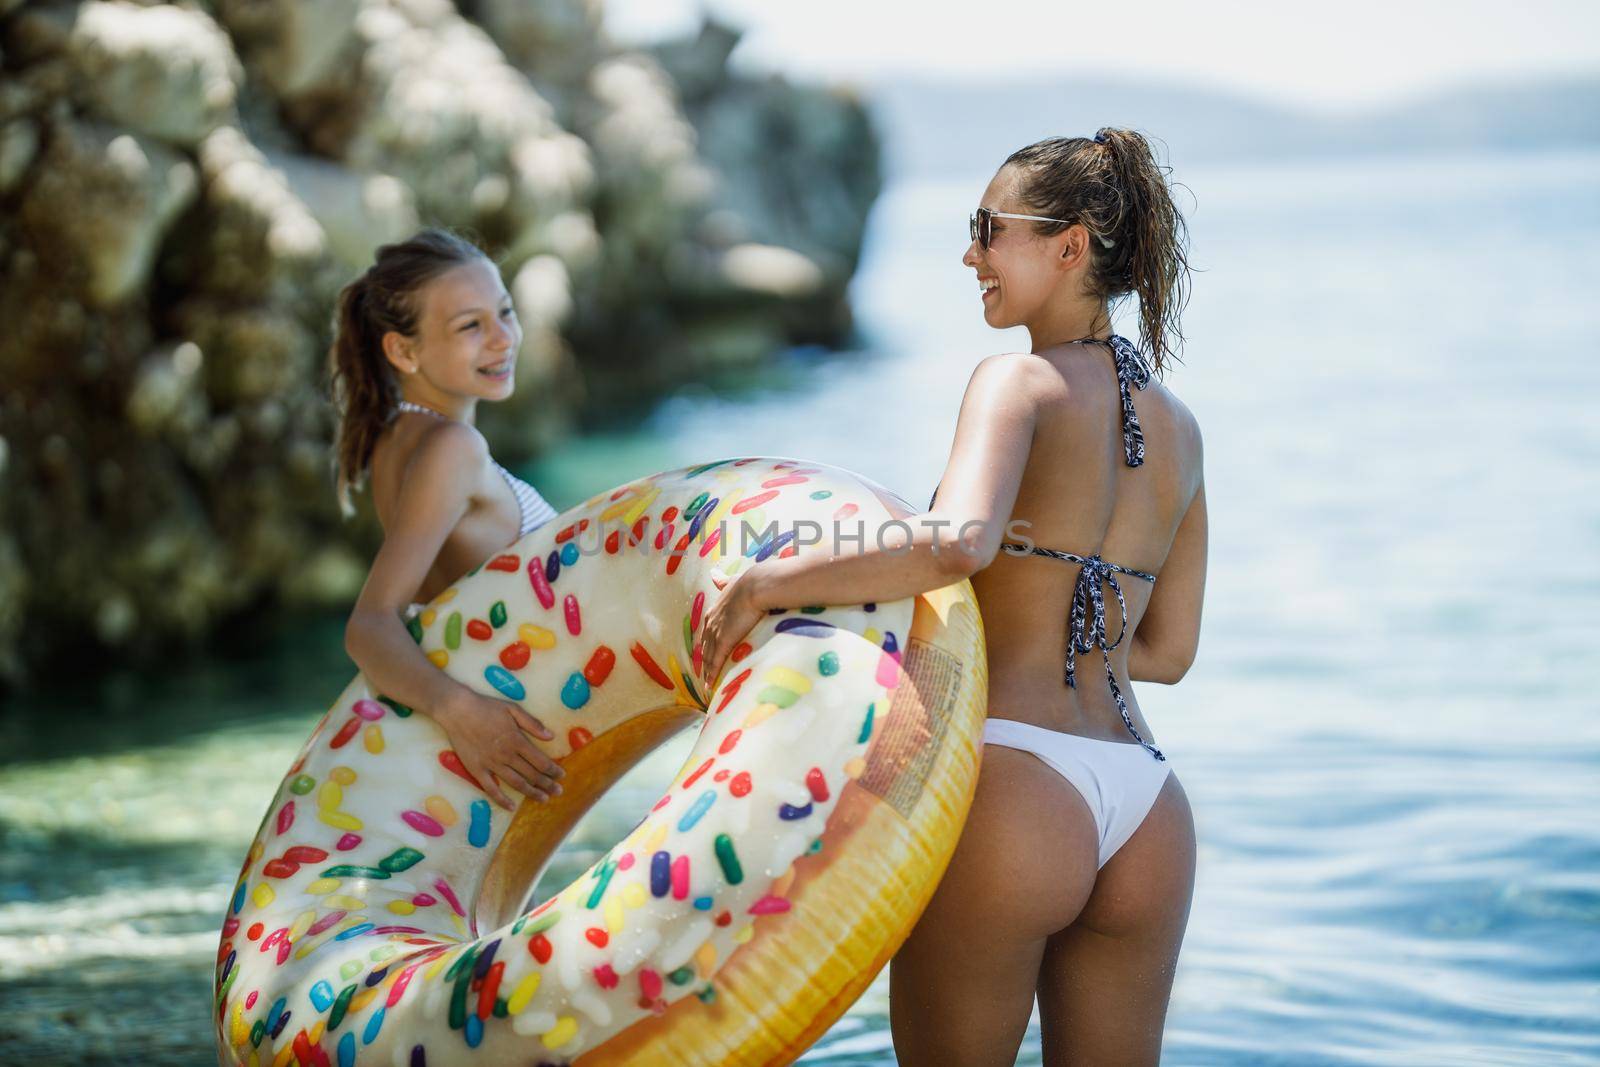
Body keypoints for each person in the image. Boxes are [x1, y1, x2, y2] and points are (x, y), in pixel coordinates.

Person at [696, 128, 1205, 1065]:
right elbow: (1170, 651)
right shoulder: (1179, 427)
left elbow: (958, 542)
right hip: (1147, 804)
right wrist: (1054, 609)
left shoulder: (1017, 381)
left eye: (988, 228)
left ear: (1070, 243)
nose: (970, 253)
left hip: (1011, 785)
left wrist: (771, 582)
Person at [330, 227, 567, 813]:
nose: (502, 338)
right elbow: (370, 624)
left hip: (509, 724)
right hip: (525, 731)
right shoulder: (452, 448)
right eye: (470, 326)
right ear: (403, 352)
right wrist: (463, 714)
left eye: (505, 313)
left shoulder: (396, 441)